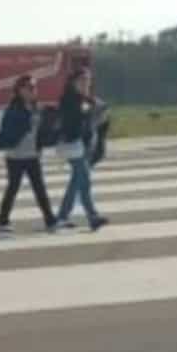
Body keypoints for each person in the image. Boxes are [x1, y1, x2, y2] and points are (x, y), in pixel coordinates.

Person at [0, 75, 58, 233]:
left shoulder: (36, 108)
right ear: (20, 90)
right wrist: (27, 123)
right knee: (13, 188)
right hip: (15, 156)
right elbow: (8, 132)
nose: (33, 91)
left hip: (32, 155)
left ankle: (50, 219)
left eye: (34, 88)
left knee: (40, 188)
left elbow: (41, 131)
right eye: (29, 88)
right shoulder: (13, 110)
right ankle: (3, 221)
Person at [54, 68, 109, 231]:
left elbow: (99, 114)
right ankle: (92, 216)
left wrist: (98, 113)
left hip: (81, 146)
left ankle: (63, 216)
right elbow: (72, 123)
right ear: (74, 83)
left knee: (78, 182)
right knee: (83, 180)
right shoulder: (69, 99)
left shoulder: (86, 100)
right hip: (72, 145)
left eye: (88, 80)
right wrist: (88, 113)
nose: (86, 83)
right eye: (82, 81)